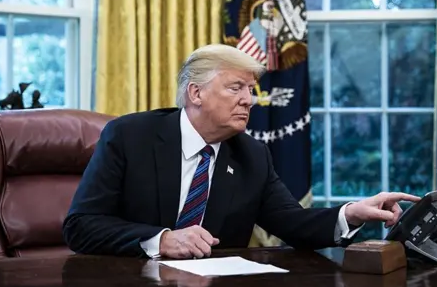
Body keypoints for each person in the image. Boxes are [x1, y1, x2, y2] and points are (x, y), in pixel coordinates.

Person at [63, 45, 418, 258]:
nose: (249, 100)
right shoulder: (129, 136)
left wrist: (352, 213)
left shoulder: (251, 155)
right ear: (195, 93)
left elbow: (293, 224)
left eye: (250, 89)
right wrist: (162, 240)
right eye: (235, 87)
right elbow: (81, 227)